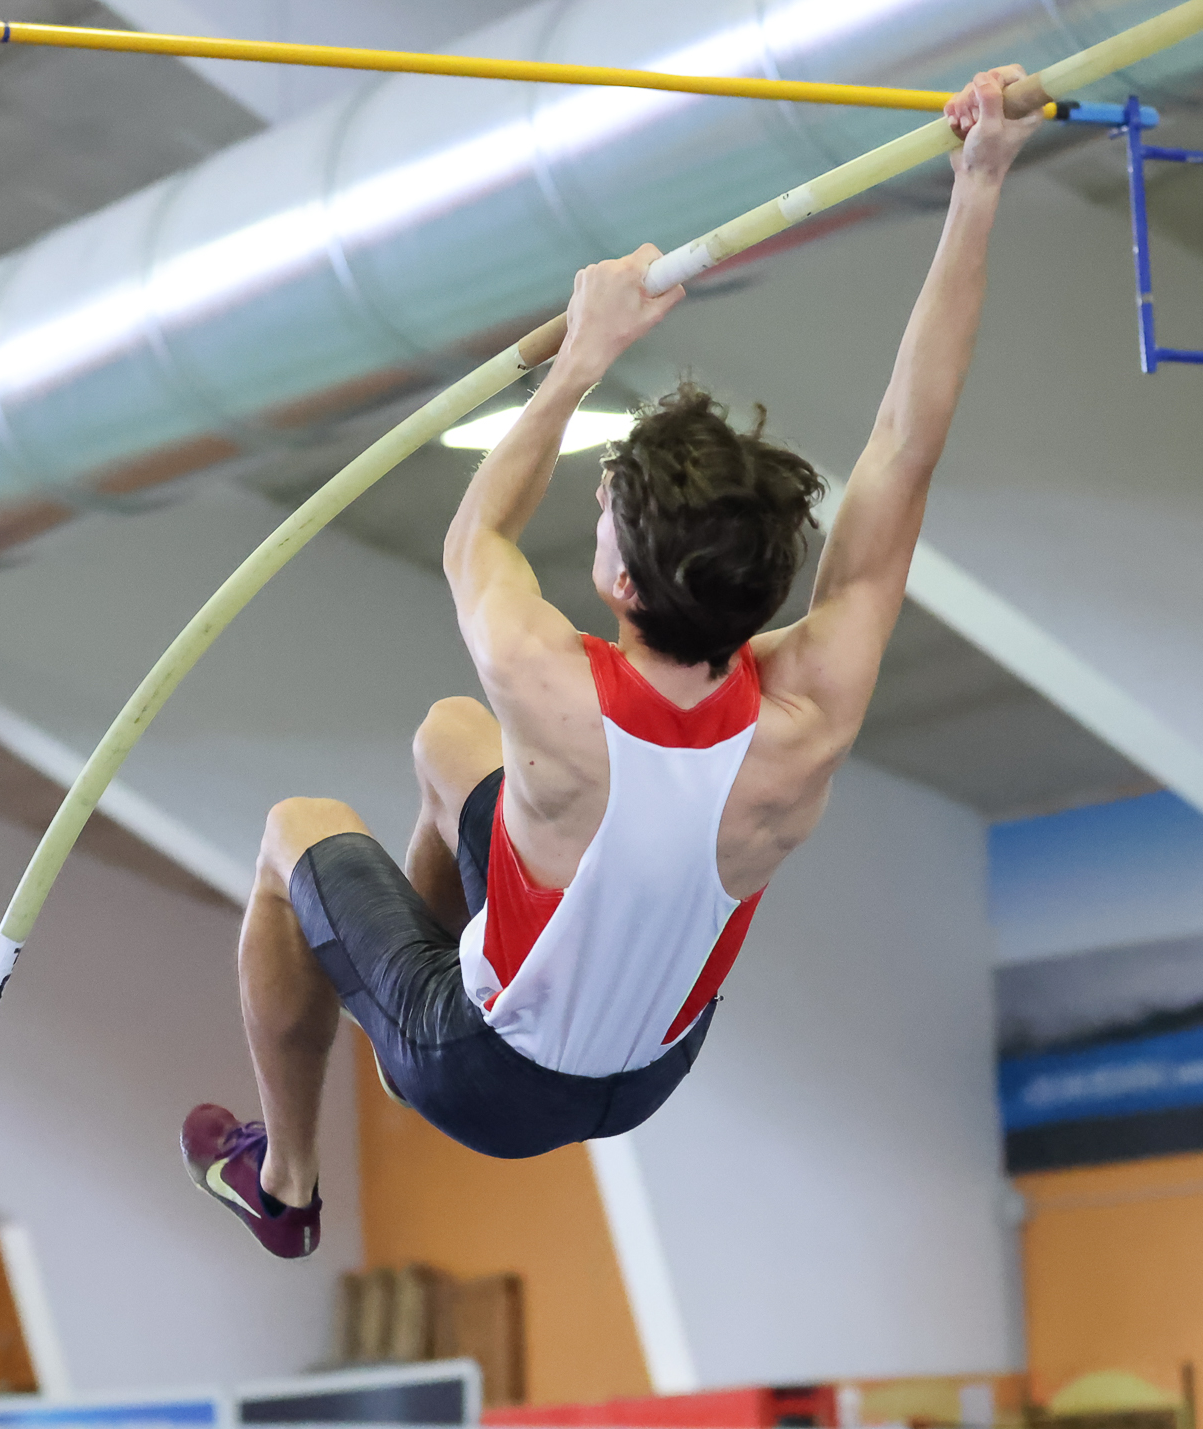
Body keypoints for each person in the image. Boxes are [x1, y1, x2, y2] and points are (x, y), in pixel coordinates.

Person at [185, 65, 1039, 1257]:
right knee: (447, 736)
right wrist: (981, 182)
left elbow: (473, 539)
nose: (595, 514)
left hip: (487, 1073)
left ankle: (282, 1180)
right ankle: (408, 1002)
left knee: (295, 829)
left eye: (605, 517)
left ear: (624, 586)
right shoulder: (813, 705)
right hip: (646, 1070)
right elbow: (905, 446)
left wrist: (581, 354)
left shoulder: (559, 691)